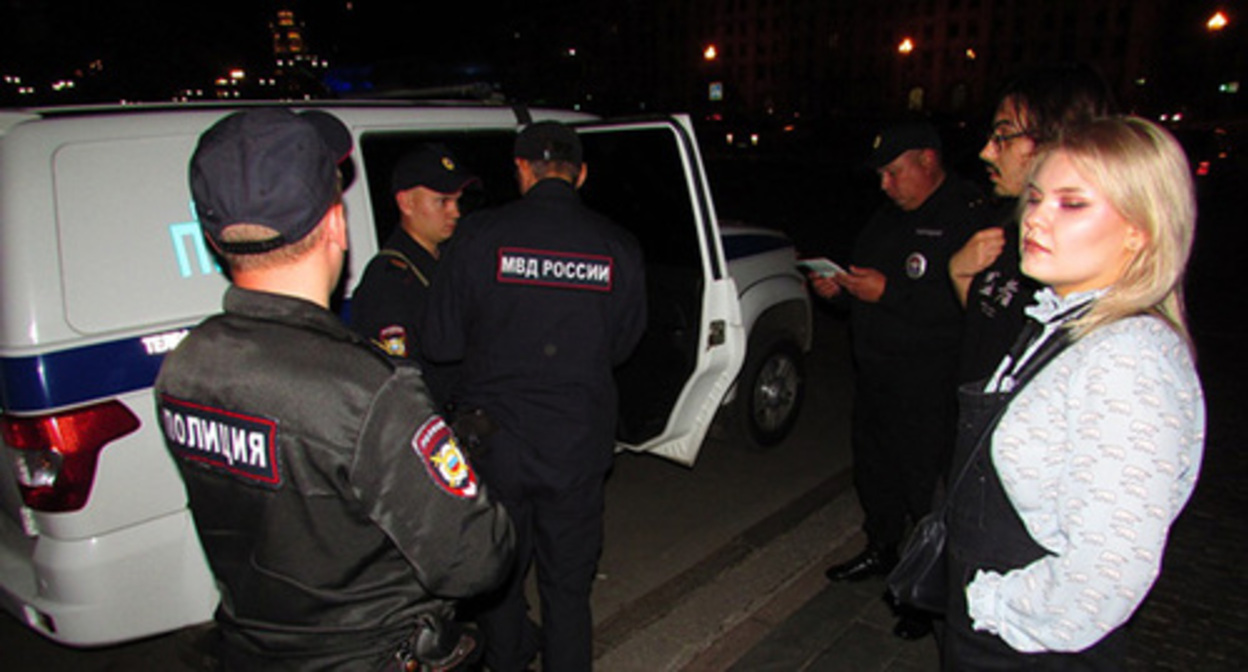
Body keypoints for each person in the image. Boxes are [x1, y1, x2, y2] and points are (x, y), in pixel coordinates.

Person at [155, 108, 513, 671]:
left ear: (212, 236)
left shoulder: (185, 367)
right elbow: (475, 559)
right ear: (335, 224)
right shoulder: (368, 389)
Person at [944, 116, 1206, 669]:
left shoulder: (1128, 357)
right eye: (1036, 197)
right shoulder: (1063, 324)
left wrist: (993, 604)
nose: (1035, 217)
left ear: (1141, 229)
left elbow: (1109, 570)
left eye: (1072, 203)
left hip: (1030, 648)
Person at [420, 121, 646, 672]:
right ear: (582, 174)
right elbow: (622, 345)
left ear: (521, 169)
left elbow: (440, 342)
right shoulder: (616, 245)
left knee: (497, 582)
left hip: (496, 446)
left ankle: (508, 659)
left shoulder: (478, 236)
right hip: (576, 445)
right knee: (568, 590)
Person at [810, 121, 990, 640]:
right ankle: (880, 550)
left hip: (930, 384)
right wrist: (838, 290)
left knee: (924, 489)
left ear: (927, 160)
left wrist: (889, 293)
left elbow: (971, 308)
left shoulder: (967, 216)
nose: (885, 184)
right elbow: (865, 282)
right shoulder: (888, 218)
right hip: (877, 376)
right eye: (881, 176)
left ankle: (924, 591)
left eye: (893, 172)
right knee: (876, 472)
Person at [950, 63, 1116, 384]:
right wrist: (960, 275)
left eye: (1004, 137)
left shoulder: (1083, 255)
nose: (987, 152)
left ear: (1057, 137)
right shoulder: (1005, 226)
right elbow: (993, 334)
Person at [351, 143, 478, 407]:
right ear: (406, 203)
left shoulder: (447, 259)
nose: (455, 212)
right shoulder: (390, 281)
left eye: (457, 200)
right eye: (442, 201)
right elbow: (401, 381)